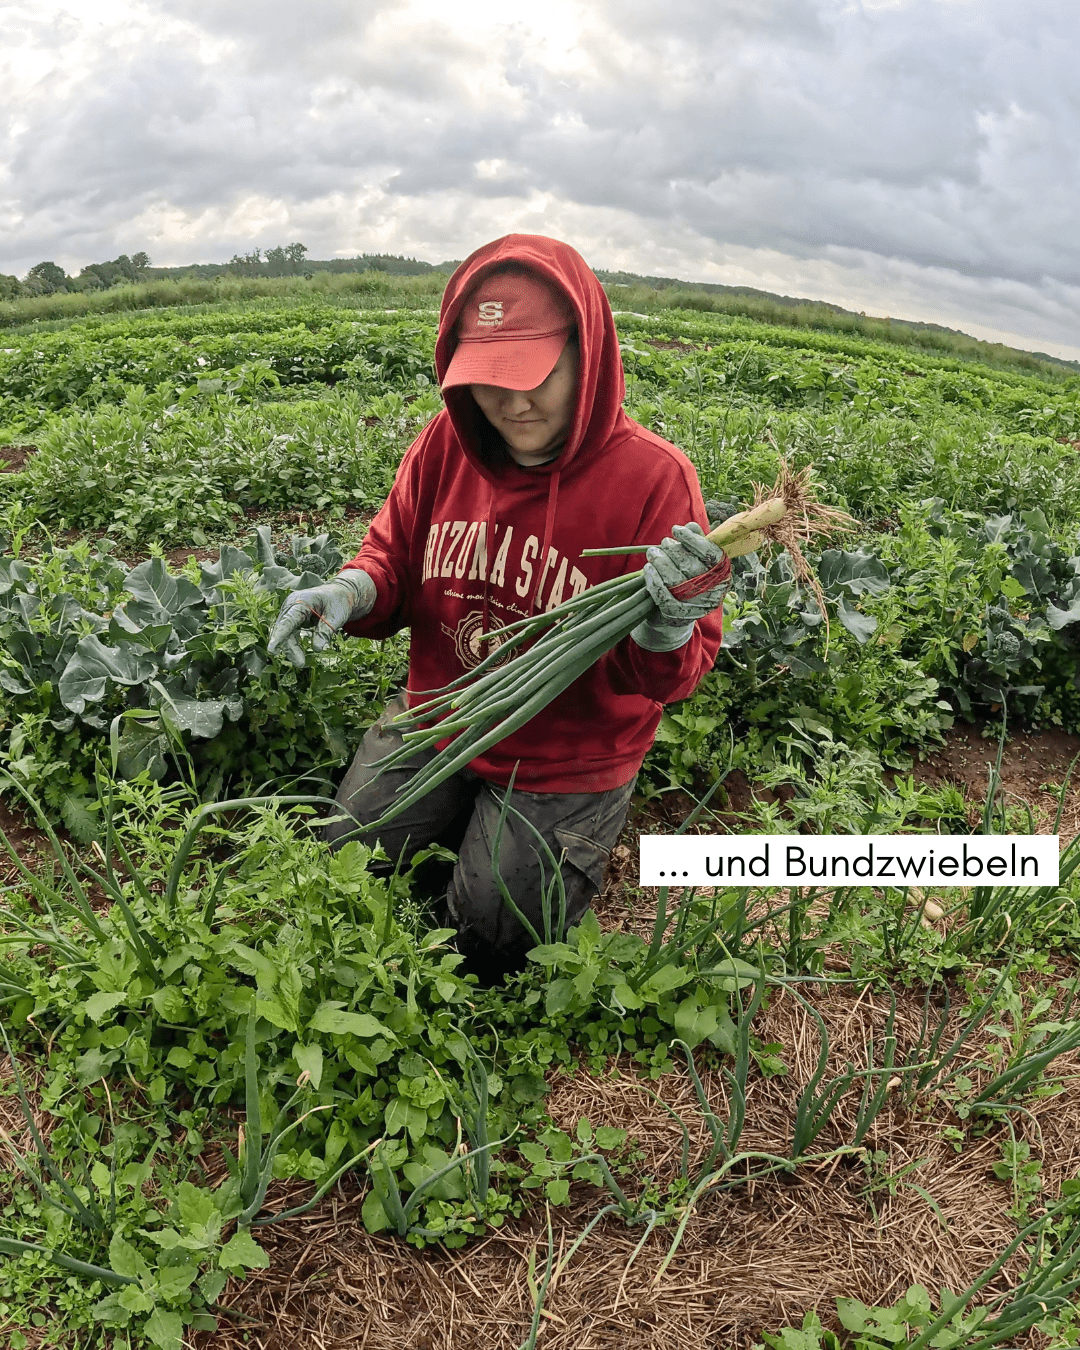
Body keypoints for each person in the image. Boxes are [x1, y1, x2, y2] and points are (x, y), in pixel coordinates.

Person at [267, 233, 729, 979]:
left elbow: (673, 677)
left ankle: (547, 844)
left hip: (563, 757)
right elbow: (391, 555)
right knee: (343, 865)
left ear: (589, 352)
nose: (514, 402)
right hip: (441, 714)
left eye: (537, 373)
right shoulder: (445, 444)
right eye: (490, 377)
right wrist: (350, 591)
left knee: (491, 942)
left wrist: (666, 623)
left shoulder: (653, 477)